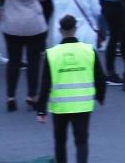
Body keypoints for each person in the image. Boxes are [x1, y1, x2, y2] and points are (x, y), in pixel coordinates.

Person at [35, 13, 106, 163]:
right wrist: (100, 96)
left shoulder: (52, 54)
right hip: (83, 104)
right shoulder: (88, 51)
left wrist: (41, 109)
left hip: (60, 106)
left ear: (60, 31)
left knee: (60, 141)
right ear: (76, 29)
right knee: (81, 141)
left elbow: (45, 84)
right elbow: (100, 77)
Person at [0, 0, 48, 112]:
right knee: (33, 62)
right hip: (33, 24)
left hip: (11, 23)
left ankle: (10, 96)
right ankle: (32, 95)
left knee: (13, 60)